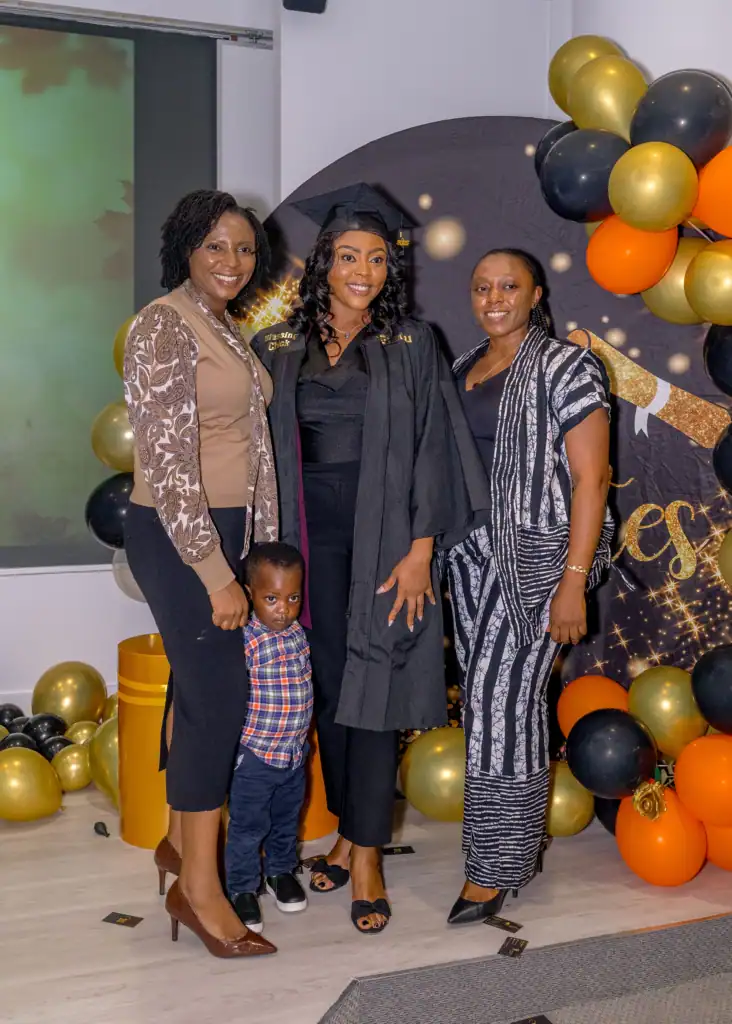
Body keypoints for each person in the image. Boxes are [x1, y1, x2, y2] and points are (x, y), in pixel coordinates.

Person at [253, 183, 487, 934]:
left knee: (376, 695)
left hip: (385, 544)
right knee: (323, 694)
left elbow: (435, 451)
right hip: (303, 546)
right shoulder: (278, 346)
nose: (363, 270)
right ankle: (350, 831)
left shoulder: (413, 344)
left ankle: (366, 859)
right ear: (322, 261)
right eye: (348, 255)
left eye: (377, 258)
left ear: (393, 268)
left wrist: (422, 548)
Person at [123, 190, 279, 958]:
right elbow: (165, 461)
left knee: (199, 696)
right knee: (221, 702)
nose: (232, 262)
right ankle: (201, 893)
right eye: (215, 246)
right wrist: (217, 572)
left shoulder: (222, 324)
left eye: (244, 249)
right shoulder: (163, 324)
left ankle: (182, 850)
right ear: (185, 247)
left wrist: (253, 549)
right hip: (181, 533)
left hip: (221, 531)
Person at [445, 248, 613, 925]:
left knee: (498, 701)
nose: (494, 297)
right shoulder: (462, 369)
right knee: (493, 707)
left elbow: (591, 481)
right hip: (471, 558)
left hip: (539, 563)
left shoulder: (567, 365)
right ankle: (506, 851)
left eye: (509, 285)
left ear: (535, 293)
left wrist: (574, 582)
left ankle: (494, 868)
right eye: (483, 286)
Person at [225, 542, 312, 934]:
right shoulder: (247, 638)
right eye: (272, 598)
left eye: (293, 597)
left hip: (294, 755)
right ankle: (242, 888)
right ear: (250, 594)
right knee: (247, 827)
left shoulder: (298, 635)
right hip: (257, 756)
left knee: (286, 820)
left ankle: (280, 871)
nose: (284, 608)